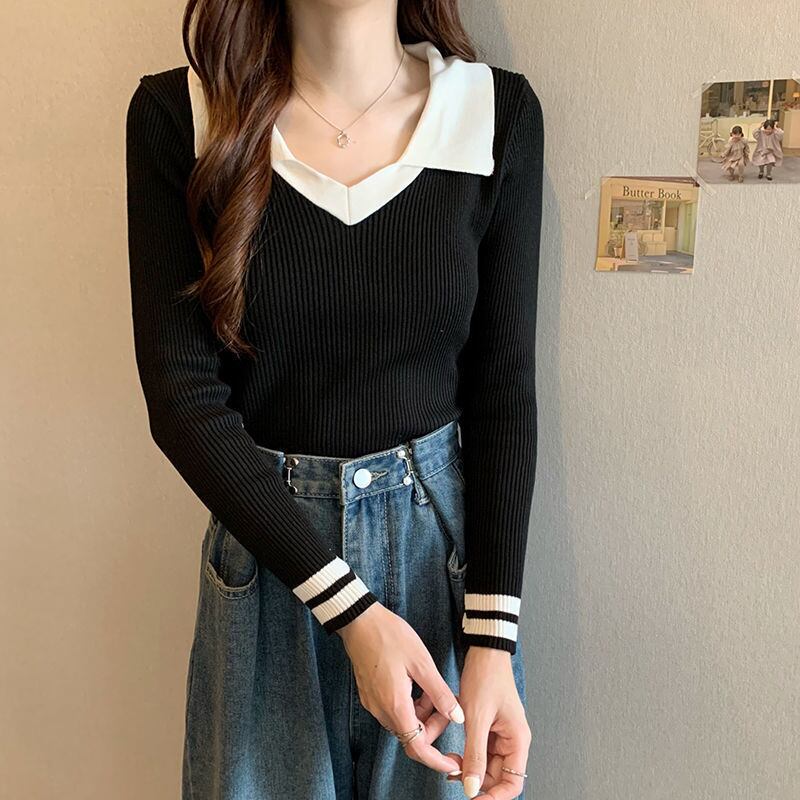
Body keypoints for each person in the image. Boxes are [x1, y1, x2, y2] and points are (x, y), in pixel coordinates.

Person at [125, 3, 543, 799]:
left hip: (442, 575)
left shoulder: (492, 113)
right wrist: (352, 613)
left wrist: (493, 642)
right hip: (268, 558)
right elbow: (182, 397)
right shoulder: (184, 117)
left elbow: (503, 391)